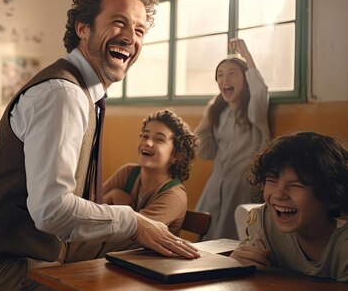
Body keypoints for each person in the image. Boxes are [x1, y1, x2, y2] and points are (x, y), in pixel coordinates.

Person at [0, 0, 199, 291]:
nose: (129, 37)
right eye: (118, 23)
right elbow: (51, 211)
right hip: (7, 266)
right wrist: (133, 220)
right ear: (83, 29)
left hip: (30, 252)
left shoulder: (82, 93)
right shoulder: (63, 95)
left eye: (139, 30)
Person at [230, 132, 348, 282]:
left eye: (296, 185)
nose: (279, 194)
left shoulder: (344, 248)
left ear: (332, 196)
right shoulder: (264, 223)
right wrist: (238, 263)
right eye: (271, 180)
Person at [194, 38, 270, 240]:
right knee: (206, 240)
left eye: (232, 74)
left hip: (241, 189)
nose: (225, 80)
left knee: (232, 242)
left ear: (246, 80)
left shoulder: (255, 113)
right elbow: (204, 150)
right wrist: (210, 112)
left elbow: (260, 91)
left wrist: (246, 55)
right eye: (220, 75)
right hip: (215, 185)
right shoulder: (220, 114)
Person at [103, 109, 197, 236]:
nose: (147, 142)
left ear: (176, 155)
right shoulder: (128, 173)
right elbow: (90, 207)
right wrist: (111, 195)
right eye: (145, 136)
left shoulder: (174, 196)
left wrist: (120, 208)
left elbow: (131, 232)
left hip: (140, 255)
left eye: (159, 139)